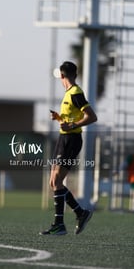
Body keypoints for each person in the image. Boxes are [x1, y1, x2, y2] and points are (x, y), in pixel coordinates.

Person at [40, 61, 97, 236]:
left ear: (62, 76)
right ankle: (81, 213)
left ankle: (60, 224)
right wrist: (59, 118)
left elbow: (92, 117)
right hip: (64, 139)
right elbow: (69, 120)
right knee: (53, 182)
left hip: (71, 140)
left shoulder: (76, 93)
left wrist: (72, 125)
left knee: (57, 182)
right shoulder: (69, 93)